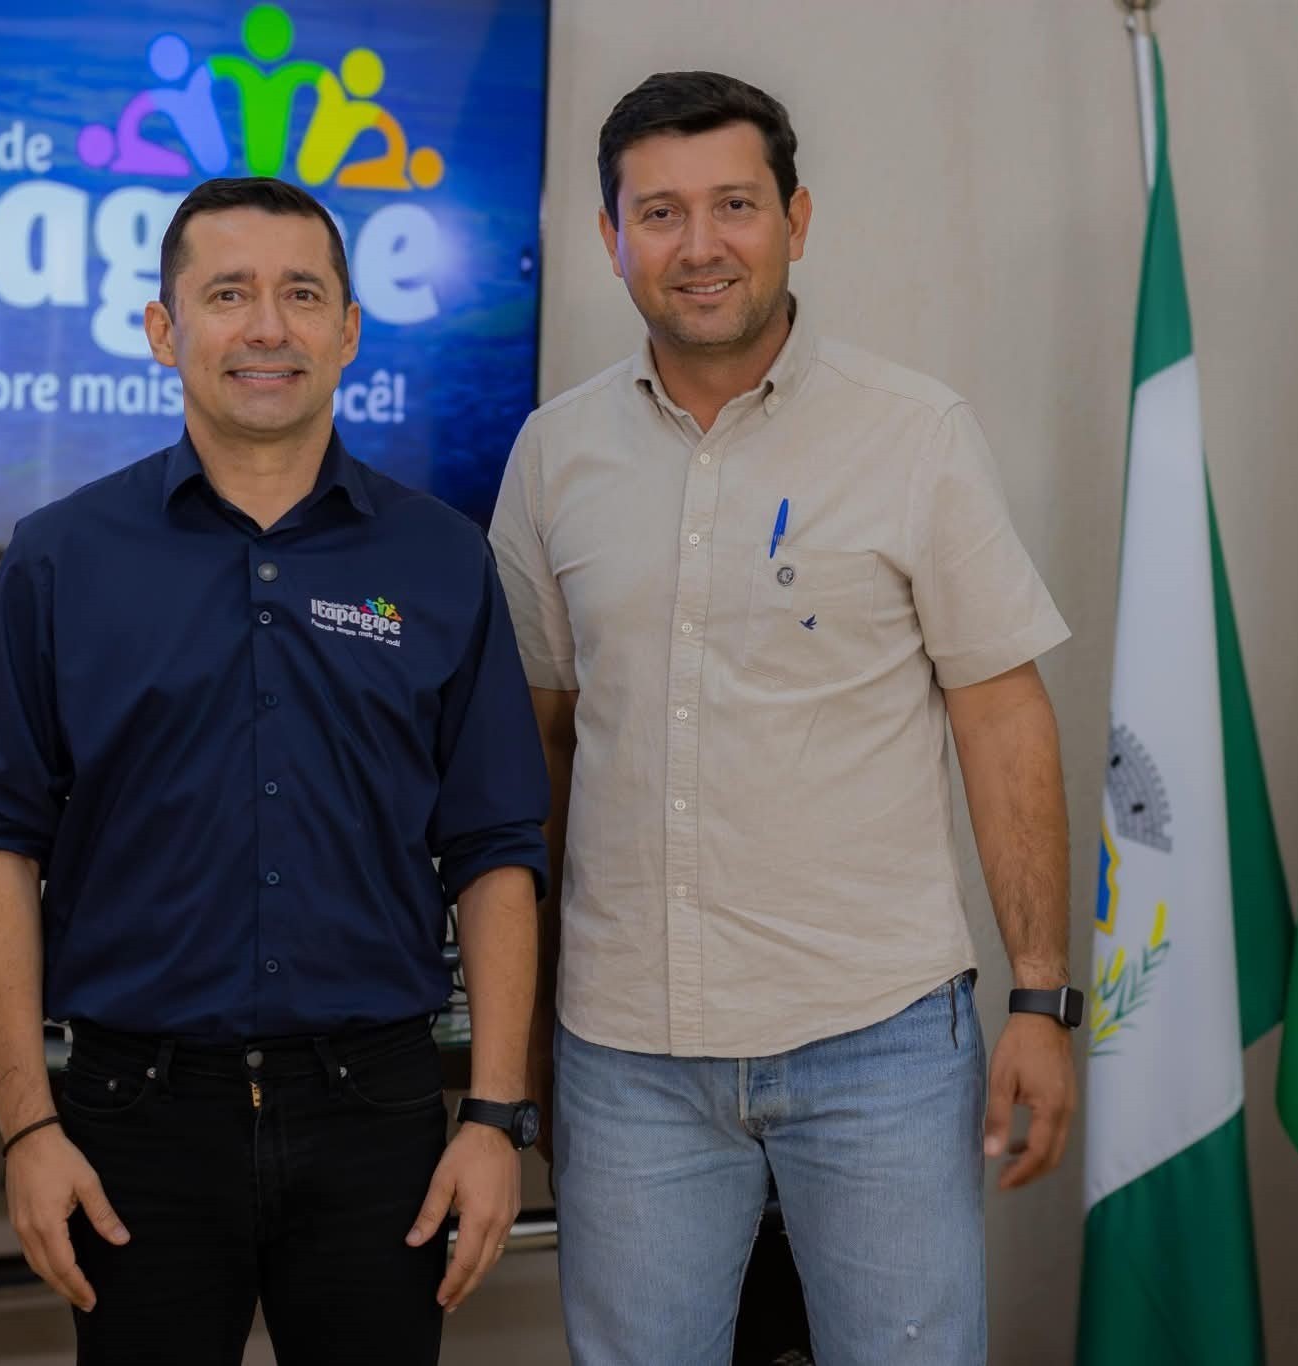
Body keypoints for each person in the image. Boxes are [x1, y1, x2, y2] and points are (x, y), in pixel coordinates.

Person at [488, 72, 1081, 1366]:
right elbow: (538, 750)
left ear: (795, 221)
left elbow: (1002, 717)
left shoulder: (914, 433)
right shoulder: (550, 457)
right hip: (625, 1053)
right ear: (609, 238)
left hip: (877, 1039)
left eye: (734, 205)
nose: (698, 244)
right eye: (659, 213)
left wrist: (1042, 995)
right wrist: (520, 1026)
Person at [0, 175, 547, 1366]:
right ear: (162, 328)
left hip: (376, 1114)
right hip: (134, 1119)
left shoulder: (441, 559)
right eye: (228, 293)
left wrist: (491, 1117)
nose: (267, 326)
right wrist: (26, 1126)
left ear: (348, 330)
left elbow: (495, 849)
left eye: (301, 294)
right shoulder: (60, 559)